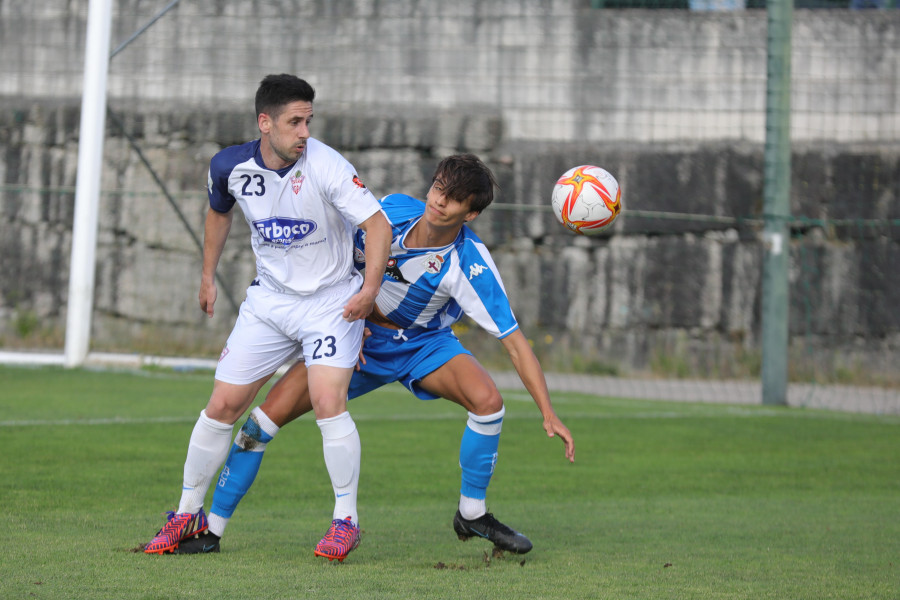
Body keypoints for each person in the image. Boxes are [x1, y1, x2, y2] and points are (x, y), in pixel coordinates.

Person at [175, 154, 575, 559]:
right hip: (357, 337)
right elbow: (332, 250)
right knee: (261, 423)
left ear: (469, 213)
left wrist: (548, 412)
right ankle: (211, 529)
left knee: (489, 402)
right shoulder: (392, 209)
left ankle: (472, 513)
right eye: (438, 188)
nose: (439, 201)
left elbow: (515, 342)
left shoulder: (470, 263)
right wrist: (344, 313)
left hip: (423, 345)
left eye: (453, 199)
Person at [142, 74, 391, 561]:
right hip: (271, 302)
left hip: (330, 301)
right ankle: (187, 512)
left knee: (326, 401)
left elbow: (376, 224)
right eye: (294, 122)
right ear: (265, 123)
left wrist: (370, 289)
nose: (304, 131)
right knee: (222, 406)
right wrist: (208, 275)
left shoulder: (327, 165)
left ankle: (346, 521)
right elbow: (219, 212)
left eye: (308, 121)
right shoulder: (229, 166)